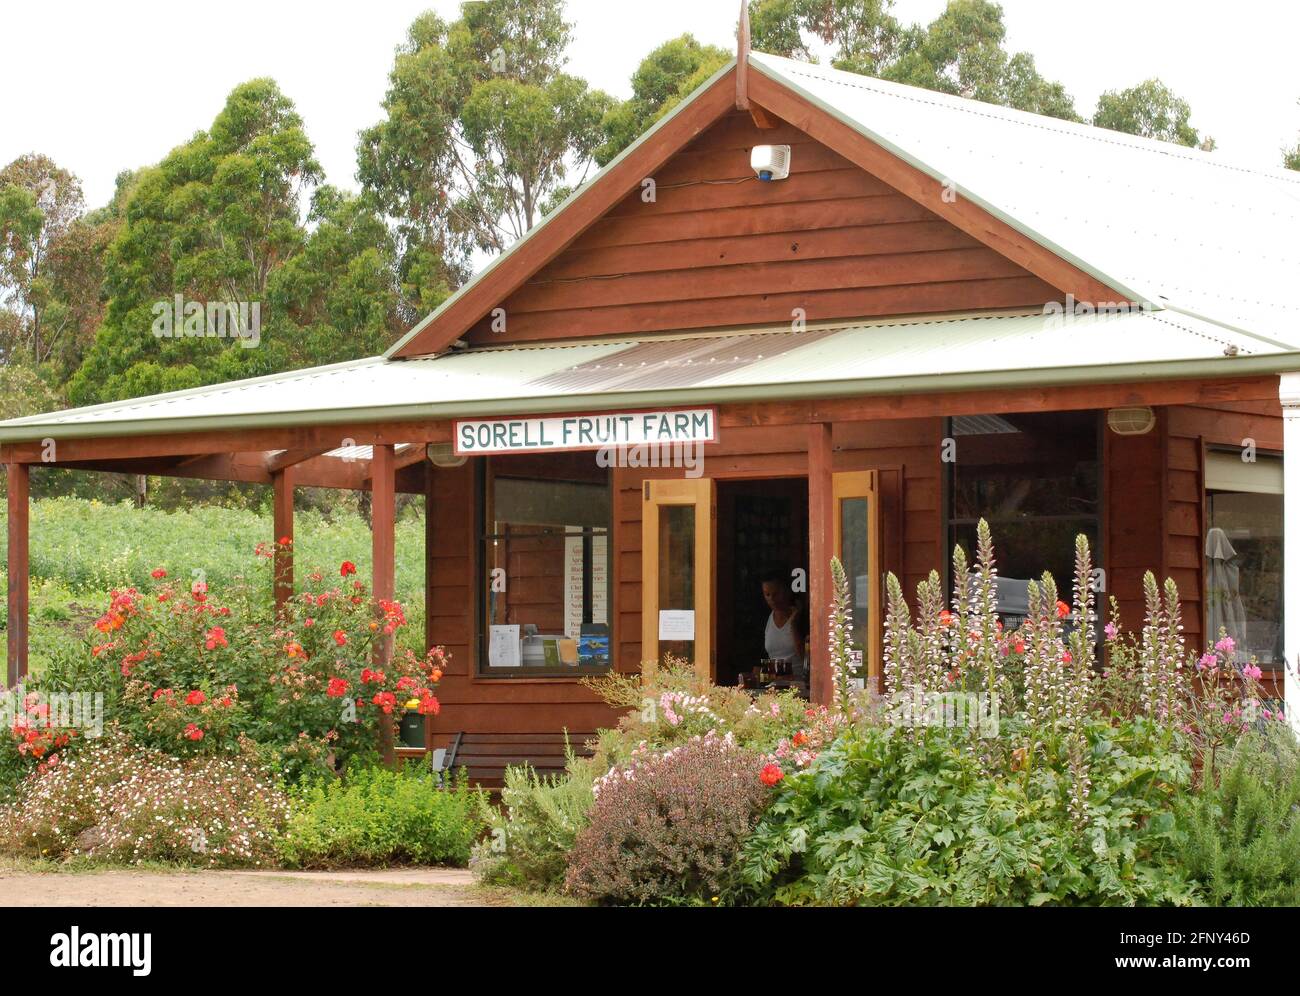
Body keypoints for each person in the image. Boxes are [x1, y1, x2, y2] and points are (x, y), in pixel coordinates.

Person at [760, 570, 808, 676]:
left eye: (776, 594)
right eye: (767, 594)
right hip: (774, 686)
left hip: (799, 686)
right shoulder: (766, 619)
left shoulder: (801, 618)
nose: (772, 599)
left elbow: (807, 659)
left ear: (787, 591)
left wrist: (794, 625)